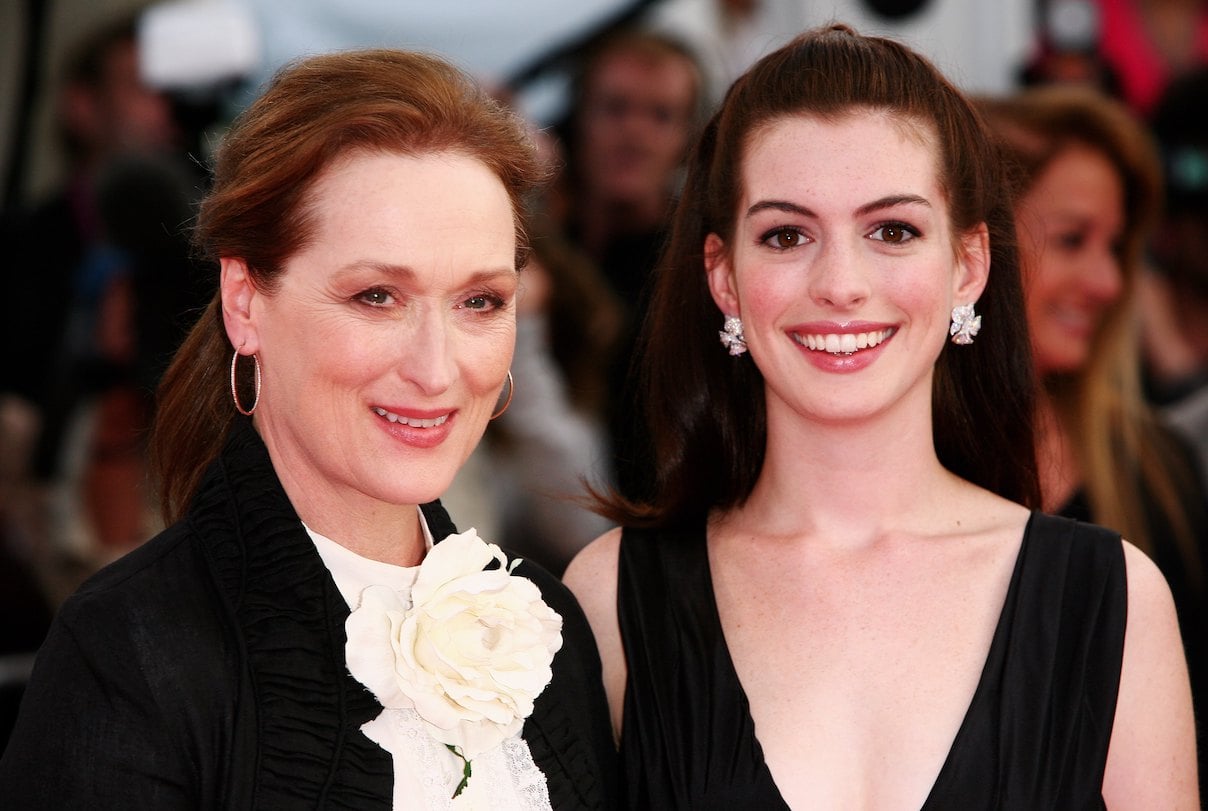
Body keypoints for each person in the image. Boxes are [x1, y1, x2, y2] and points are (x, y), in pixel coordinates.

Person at [564, 24, 1199, 808]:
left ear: (968, 264)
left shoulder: (1112, 598)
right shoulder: (610, 598)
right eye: (786, 234)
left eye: (892, 231)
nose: (841, 283)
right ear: (723, 277)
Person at [0, 49, 617, 808]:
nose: (436, 369)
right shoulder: (130, 652)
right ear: (244, 301)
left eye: (479, 302)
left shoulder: (548, 631)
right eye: (377, 296)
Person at [979, 82, 1208, 792]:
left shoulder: (1157, 467)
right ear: (972, 244)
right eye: (1073, 239)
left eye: (1115, 247)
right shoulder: (882, 471)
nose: (1108, 282)